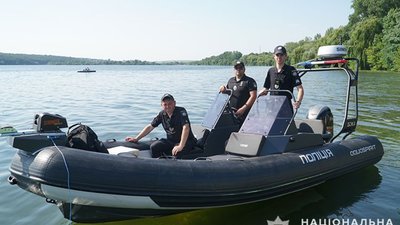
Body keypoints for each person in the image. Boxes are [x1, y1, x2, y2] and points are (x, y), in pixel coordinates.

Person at [125, 93, 196, 158]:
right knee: (154, 147)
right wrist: (136, 138)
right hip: (171, 141)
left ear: (174, 103)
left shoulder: (181, 111)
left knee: (177, 152)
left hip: (187, 141)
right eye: (165, 104)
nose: (167, 106)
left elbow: (186, 127)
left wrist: (181, 145)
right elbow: (150, 127)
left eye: (170, 103)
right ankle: (159, 165)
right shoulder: (162, 114)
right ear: (161, 105)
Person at [259, 45, 304, 111]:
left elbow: (300, 89)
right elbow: (265, 89)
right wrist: (257, 95)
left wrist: (298, 102)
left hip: (286, 107)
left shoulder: (291, 70)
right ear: (274, 56)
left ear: (285, 56)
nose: (279, 57)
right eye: (277, 55)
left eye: (281, 55)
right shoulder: (270, 71)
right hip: (272, 107)